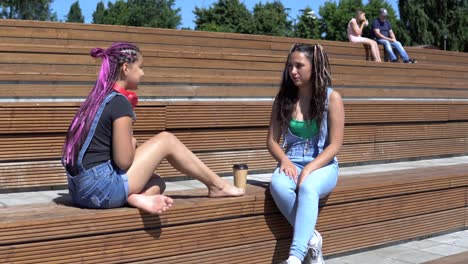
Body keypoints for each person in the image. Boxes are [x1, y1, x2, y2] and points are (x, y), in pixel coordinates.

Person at [62, 42, 244, 214]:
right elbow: (123, 161)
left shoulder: (95, 100)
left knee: (157, 182)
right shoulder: (119, 102)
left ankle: (134, 198)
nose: (143, 73)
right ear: (126, 69)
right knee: (166, 140)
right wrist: (132, 144)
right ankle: (217, 186)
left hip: (80, 191)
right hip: (101, 190)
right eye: (140, 67)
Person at [267, 43, 344, 264]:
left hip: (323, 164)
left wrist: (309, 168)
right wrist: (284, 160)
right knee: (278, 185)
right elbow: (271, 141)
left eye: (299, 65)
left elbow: (335, 145)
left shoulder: (332, 99)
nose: (293, 71)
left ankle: (295, 257)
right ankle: (311, 237)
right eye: (290, 66)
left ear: (314, 66)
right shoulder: (283, 99)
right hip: (292, 161)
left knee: (308, 187)